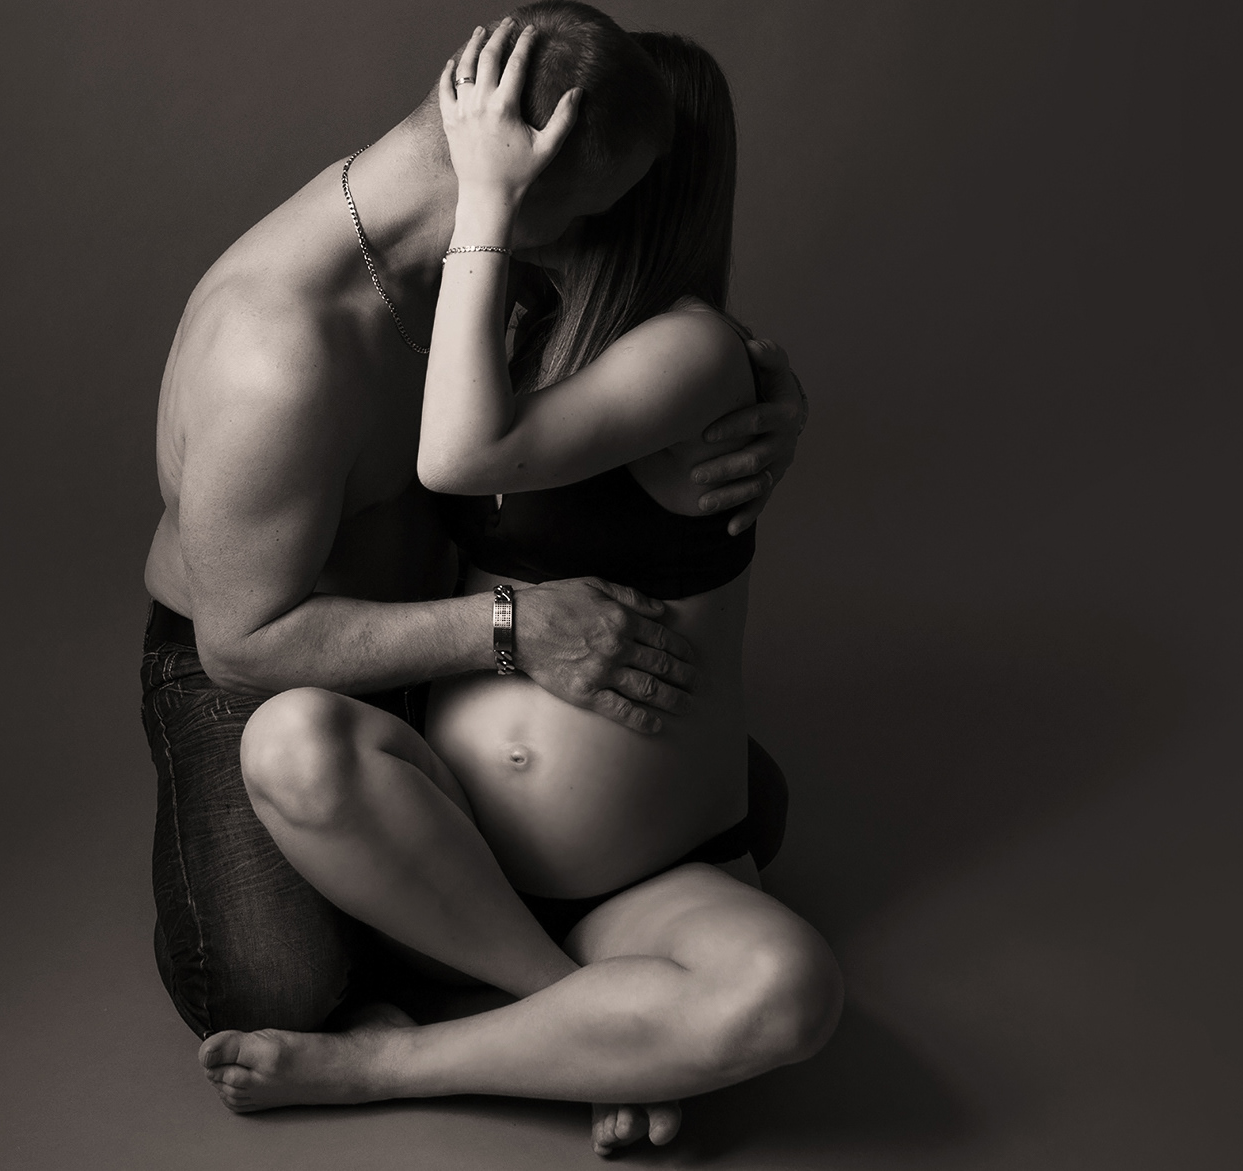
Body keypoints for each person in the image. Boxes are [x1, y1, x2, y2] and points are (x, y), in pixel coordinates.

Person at [201, 20, 840, 1157]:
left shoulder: (692, 353)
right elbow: (435, 452)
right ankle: (577, 1020)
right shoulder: (512, 326)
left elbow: (459, 457)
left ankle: (388, 1064)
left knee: (790, 990)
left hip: (646, 879)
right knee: (288, 745)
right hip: (453, 847)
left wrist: (487, 205)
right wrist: (487, 206)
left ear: (639, 190)